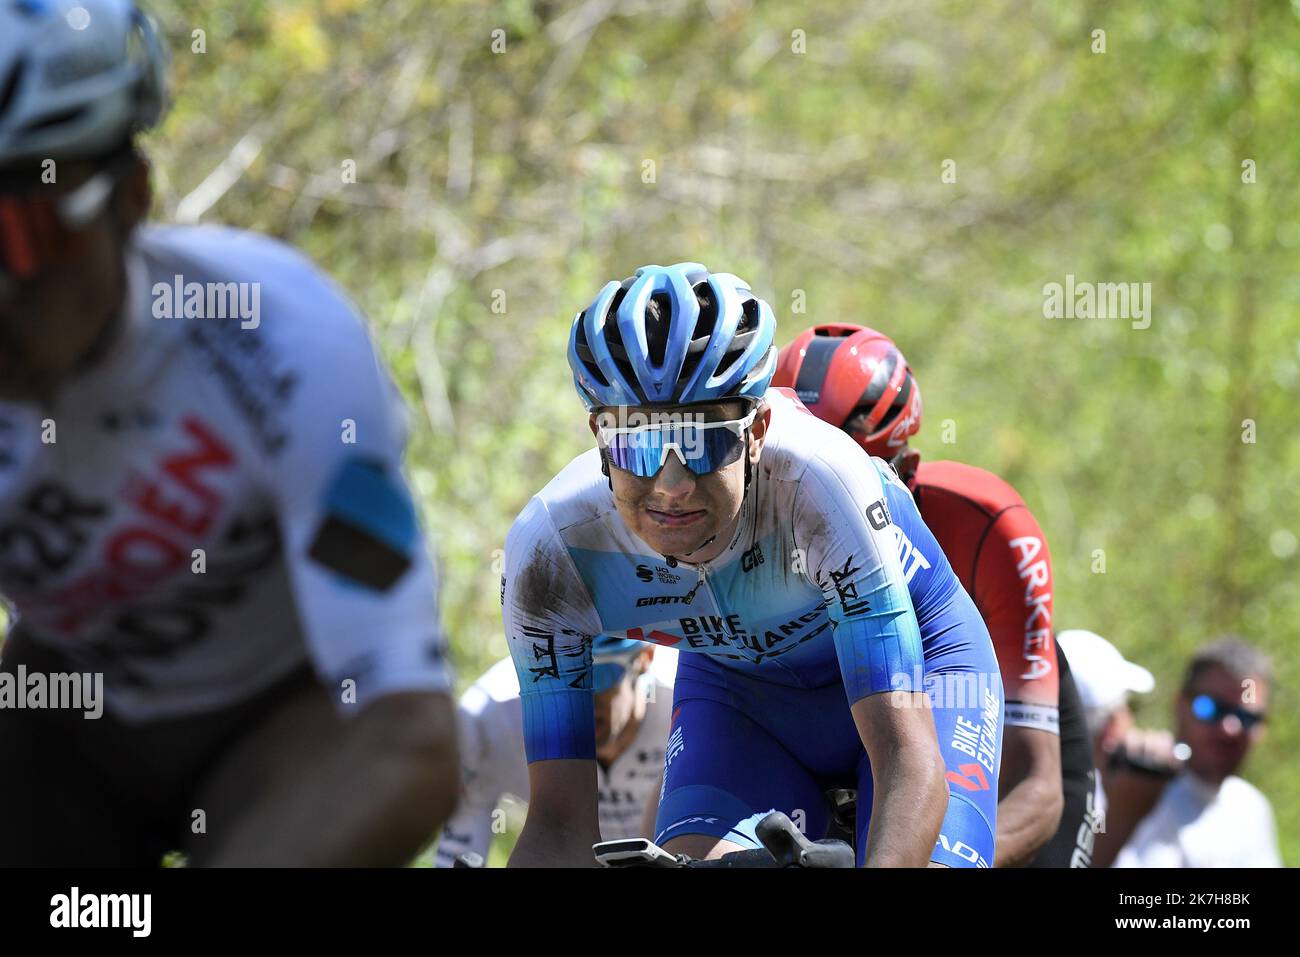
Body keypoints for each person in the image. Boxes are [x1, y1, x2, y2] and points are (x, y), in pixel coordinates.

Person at [0, 0, 457, 866]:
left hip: (283, 718)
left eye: (15, 231)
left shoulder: (279, 338)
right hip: (68, 712)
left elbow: (411, 736)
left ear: (130, 198)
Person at [502, 262, 1003, 868]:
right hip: (740, 695)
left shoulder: (820, 485)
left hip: (924, 672)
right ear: (598, 436)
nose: (672, 485)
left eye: (703, 440)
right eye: (637, 441)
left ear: (759, 429)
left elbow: (906, 762)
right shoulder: (552, 553)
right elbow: (557, 825)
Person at [773, 323, 1095, 867]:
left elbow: (1039, 795)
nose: (823, 503)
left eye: (854, 476)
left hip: (1004, 750)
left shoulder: (992, 529)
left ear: (908, 471)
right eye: (795, 476)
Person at [435, 639, 676, 866]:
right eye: (559, 686)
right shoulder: (489, 720)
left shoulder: (682, 700)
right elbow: (462, 842)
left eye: (596, 678)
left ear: (645, 658)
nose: (578, 702)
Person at [1107, 637, 1281, 868]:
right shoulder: (1128, 785)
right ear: (1180, 704)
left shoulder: (1252, 810)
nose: (1230, 729)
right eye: (1211, 709)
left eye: (1247, 718)